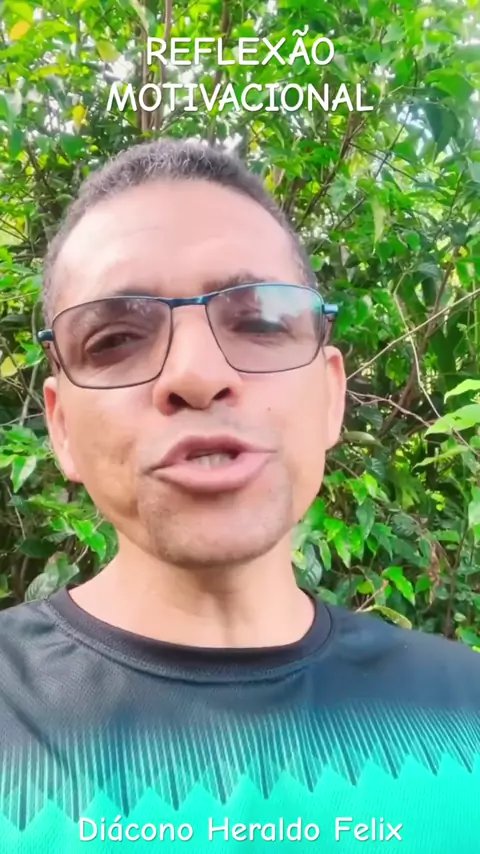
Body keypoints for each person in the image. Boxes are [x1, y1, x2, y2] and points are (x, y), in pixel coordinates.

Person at [0, 138, 478, 854]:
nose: (196, 375)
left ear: (331, 395)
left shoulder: (465, 714)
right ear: (62, 426)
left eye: (258, 321)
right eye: (116, 339)